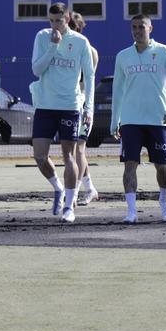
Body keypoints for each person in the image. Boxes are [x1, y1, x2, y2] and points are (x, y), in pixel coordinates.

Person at [110, 14, 166, 223]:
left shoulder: (164, 52)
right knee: (129, 164)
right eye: (134, 27)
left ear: (151, 28)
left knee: (162, 166)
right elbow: (118, 90)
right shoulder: (123, 56)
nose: (137, 30)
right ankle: (131, 211)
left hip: (158, 119)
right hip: (131, 120)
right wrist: (116, 120)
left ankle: (164, 200)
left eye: (141, 26)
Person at [30, 2, 96, 223]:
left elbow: (89, 77)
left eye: (58, 20)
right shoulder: (42, 37)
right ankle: (58, 188)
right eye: (51, 20)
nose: (54, 25)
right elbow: (37, 69)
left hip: (70, 106)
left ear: (67, 18)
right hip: (45, 106)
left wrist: (89, 108)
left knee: (69, 155)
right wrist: (52, 46)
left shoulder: (81, 42)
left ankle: (69, 206)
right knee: (39, 156)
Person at [68, 12, 100, 206]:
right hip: (68, 105)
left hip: (81, 105)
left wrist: (87, 108)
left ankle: (75, 190)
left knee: (78, 149)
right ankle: (91, 189)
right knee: (75, 151)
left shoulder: (89, 51)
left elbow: (85, 82)